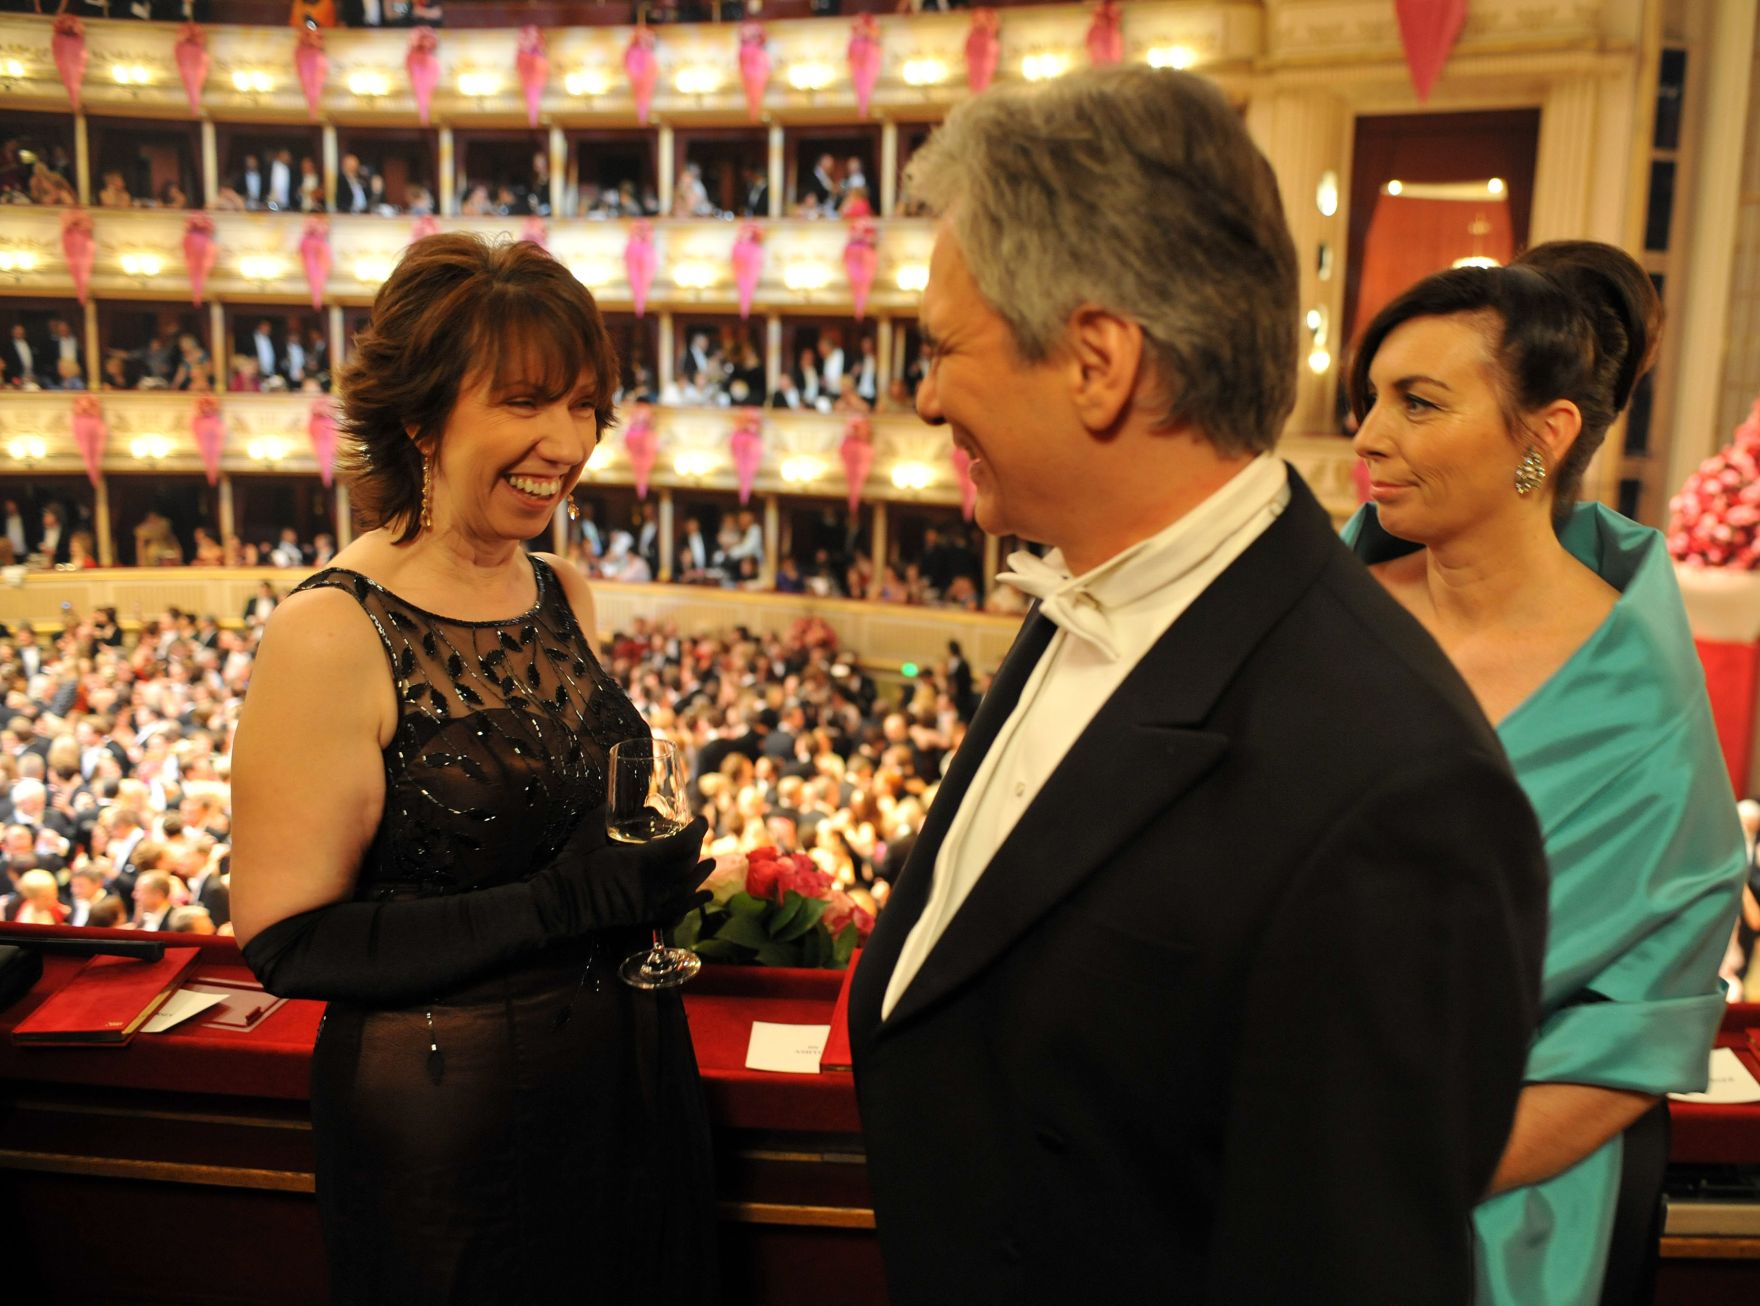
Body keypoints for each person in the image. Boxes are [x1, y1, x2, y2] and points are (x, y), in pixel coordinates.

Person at [846, 65, 1550, 1304]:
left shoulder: (1396, 790)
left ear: (1098, 362)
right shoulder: (1095, 589)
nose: (924, 395)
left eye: (943, 348)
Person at [230, 233, 716, 1303]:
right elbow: (286, 934)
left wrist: (647, 869)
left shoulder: (563, 592)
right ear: (420, 418)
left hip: (622, 1090)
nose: (565, 440)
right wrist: (557, 902)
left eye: (586, 404)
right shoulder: (329, 630)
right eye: (527, 400)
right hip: (446, 1137)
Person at [1342, 242, 1746, 1306]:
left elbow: (1634, 1024)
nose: (1367, 435)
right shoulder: (1310, 619)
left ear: (1543, 437)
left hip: (1495, 1205)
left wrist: (1370, 1180)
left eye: (1416, 403)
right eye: (1369, 397)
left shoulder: (1637, 700)